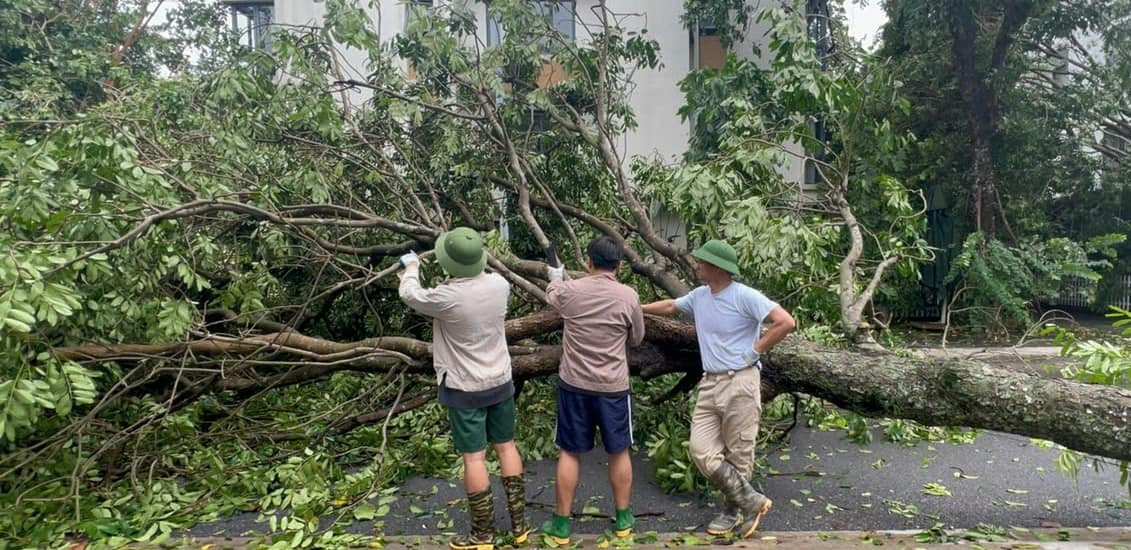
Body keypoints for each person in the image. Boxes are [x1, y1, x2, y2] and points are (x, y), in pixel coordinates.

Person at [642, 239, 795, 539]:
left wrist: (755, 351)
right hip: (710, 382)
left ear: (717, 267)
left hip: (741, 381)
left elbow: (785, 322)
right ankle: (750, 500)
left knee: (739, 453)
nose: (696, 265)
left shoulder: (745, 296)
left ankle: (733, 511)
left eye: (702, 261)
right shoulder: (700, 296)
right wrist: (636, 307)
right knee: (701, 451)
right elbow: (672, 306)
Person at [398, 227, 530, 550]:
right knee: (507, 447)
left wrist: (411, 269)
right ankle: (520, 528)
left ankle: (482, 536)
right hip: (500, 380)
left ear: (449, 263)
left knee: (475, 459)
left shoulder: (447, 297)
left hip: (464, 387)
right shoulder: (500, 285)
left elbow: (411, 295)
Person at [540, 236, 645, 545]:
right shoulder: (628, 296)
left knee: (569, 452)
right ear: (619, 266)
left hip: (574, 385)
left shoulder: (570, 292)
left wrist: (556, 276)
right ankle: (623, 520)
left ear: (588, 262)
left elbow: (552, 292)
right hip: (613, 387)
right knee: (619, 450)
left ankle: (561, 526)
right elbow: (637, 338)